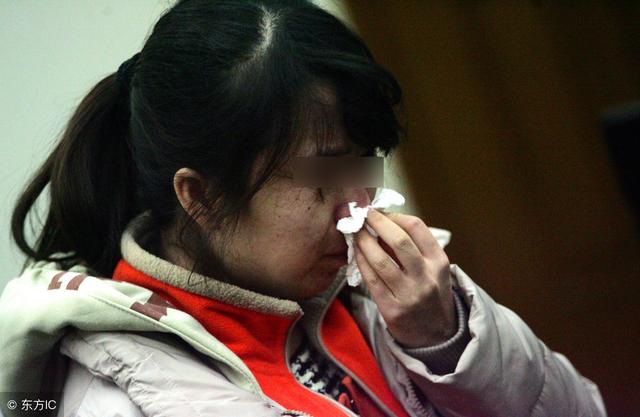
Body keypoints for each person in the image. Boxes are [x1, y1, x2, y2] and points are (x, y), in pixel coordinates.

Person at [0, 1, 607, 416]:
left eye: (365, 164)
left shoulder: (386, 304)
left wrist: (445, 341)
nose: (357, 207)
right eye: (323, 175)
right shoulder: (116, 397)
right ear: (200, 197)